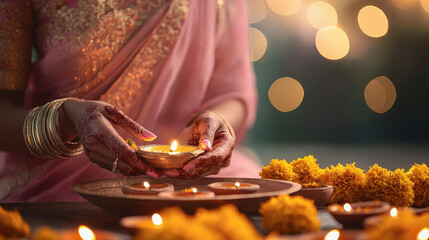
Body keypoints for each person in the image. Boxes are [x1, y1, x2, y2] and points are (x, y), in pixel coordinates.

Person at [0, 0, 260, 201]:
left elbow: (233, 93)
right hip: (58, 187)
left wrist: (215, 125)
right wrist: (64, 120)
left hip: (188, 180)